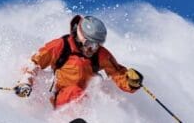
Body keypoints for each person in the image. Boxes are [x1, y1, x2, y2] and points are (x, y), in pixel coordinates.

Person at [14, 14, 143, 107]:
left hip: (88, 99)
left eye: (97, 45)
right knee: (75, 92)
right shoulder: (61, 46)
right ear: (80, 37)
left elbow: (117, 73)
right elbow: (34, 63)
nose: (92, 49)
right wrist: (26, 82)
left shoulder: (101, 54)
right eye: (89, 44)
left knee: (108, 95)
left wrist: (132, 82)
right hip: (63, 98)